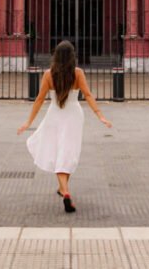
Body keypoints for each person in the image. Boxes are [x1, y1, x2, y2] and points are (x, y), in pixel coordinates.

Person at [17, 40, 111, 213]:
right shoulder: (78, 73)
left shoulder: (48, 74)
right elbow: (88, 95)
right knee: (67, 153)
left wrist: (28, 122)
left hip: (54, 116)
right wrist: (100, 116)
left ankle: (64, 190)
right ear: (72, 56)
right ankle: (65, 190)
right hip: (73, 116)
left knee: (56, 152)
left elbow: (39, 99)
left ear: (56, 56)